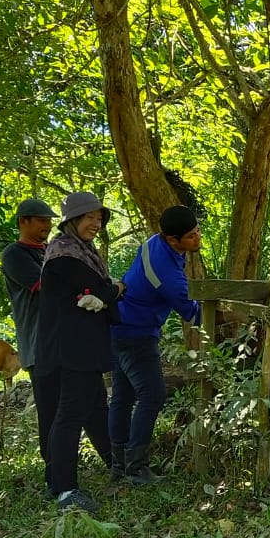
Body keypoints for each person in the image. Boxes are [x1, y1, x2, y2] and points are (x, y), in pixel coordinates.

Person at [34, 192, 122, 513]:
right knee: (69, 415)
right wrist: (117, 288)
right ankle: (64, 489)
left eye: (99, 219)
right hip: (71, 349)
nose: (95, 224)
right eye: (89, 218)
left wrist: (107, 292)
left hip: (78, 347)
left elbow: (97, 292)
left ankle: (118, 463)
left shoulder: (82, 252)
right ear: (72, 221)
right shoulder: (65, 254)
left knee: (96, 408)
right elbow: (101, 290)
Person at [108, 206, 202, 484]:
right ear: (173, 240)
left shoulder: (154, 242)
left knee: (122, 398)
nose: (198, 239)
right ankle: (136, 468)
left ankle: (119, 466)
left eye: (198, 231)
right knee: (153, 395)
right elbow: (194, 313)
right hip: (135, 333)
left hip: (118, 325)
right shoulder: (167, 277)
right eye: (191, 236)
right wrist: (237, 314)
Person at [1, 197, 56, 483]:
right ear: (23, 221)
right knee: (48, 410)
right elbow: (47, 286)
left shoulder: (51, 250)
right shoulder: (15, 254)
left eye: (49, 220)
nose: (47, 225)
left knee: (76, 406)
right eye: (41, 220)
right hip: (37, 345)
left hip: (61, 342)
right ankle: (53, 471)